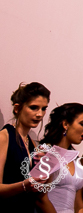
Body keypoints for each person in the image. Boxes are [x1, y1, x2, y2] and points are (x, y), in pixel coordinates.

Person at [0, 82, 50, 213]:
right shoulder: (4, 137)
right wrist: (25, 185)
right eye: (34, 108)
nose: (40, 114)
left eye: (44, 108)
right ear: (17, 108)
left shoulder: (33, 143)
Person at [36, 103, 83, 213]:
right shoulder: (46, 152)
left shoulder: (75, 158)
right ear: (65, 124)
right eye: (82, 124)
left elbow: (78, 204)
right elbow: (39, 198)